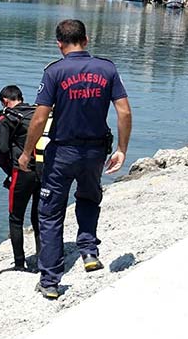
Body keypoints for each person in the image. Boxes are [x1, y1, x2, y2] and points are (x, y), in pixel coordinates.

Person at [19, 19, 132, 300]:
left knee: (50, 213)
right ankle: (89, 251)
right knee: (89, 198)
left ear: (59, 44)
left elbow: (40, 116)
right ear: (87, 39)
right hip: (95, 152)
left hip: (62, 153)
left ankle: (50, 280)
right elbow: (124, 112)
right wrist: (122, 149)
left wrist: (26, 152)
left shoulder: (54, 72)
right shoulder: (107, 69)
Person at [0, 85, 41, 273]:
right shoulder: (38, 113)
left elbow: (3, 149)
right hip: (44, 171)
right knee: (38, 218)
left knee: (15, 218)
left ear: (5, 101)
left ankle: (20, 264)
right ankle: (43, 259)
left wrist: (8, 171)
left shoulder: (7, 118)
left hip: (21, 172)